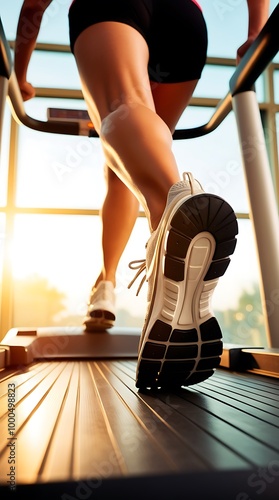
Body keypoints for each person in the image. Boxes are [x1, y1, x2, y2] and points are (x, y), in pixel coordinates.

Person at [14, 0, 270, 389]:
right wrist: (256, 32)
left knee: (124, 107)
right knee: (132, 159)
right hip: (184, 19)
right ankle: (114, 283)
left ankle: (169, 211)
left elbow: (34, 4)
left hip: (116, 8)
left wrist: (20, 74)